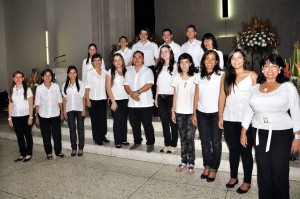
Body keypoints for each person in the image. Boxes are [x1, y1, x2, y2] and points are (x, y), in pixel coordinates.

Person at [241, 54, 300, 199]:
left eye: (274, 66)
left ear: (280, 69)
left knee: (279, 170)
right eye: (266, 66)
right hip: (259, 132)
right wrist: (243, 130)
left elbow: (296, 112)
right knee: (263, 169)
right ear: (262, 68)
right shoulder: (255, 88)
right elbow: (249, 110)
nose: (270, 69)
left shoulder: (287, 87)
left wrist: (297, 137)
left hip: (281, 133)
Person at [218, 49, 257, 193]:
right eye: (233, 58)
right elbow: (222, 97)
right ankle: (233, 176)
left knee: (246, 151)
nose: (236, 61)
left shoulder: (252, 75)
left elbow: (256, 100)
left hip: (247, 121)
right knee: (233, 150)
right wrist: (220, 116)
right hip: (229, 118)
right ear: (230, 61)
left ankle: (247, 181)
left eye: (239, 57)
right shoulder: (226, 76)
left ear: (244, 59)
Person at [195, 50, 223, 182]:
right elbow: (196, 94)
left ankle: (214, 168)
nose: (210, 61)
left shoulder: (221, 75)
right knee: (205, 141)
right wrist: (194, 113)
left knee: (216, 142)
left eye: (213, 59)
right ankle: (207, 165)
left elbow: (224, 95)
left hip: (216, 113)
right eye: (207, 59)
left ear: (216, 61)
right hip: (201, 113)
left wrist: (221, 115)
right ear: (203, 60)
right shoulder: (199, 75)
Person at [171, 53, 198, 174]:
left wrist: (195, 113)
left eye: (186, 62)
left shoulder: (196, 77)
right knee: (182, 137)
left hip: (191, 112)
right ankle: (183, 160)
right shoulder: (176, 77)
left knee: (190, 137)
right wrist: (173, 110)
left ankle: (191, 162)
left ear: (190, 63)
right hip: (179, 112)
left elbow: (197, 96)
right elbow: (175, 94)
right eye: (181, 62)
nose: (184, 65)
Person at [124, 51, 155, 153]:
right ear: (132, 59)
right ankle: (137, 141)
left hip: (145, 103)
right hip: (132, 104)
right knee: (135, 124)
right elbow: (126, 85)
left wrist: (136, 92)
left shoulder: (148, 71)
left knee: (147, 124)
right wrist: (131, 93)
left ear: (143, 59)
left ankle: (150, 143)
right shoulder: (129, 71)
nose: (137, 59)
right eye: (135, 57)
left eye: (139, 57)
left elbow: (149, 84)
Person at [35, 69, 65, 160]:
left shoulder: (55, 86)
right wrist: (36, 115)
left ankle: (58, 151)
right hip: (43, 115)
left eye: (49, 75)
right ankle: (48, 152)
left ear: (52, 77)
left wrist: (62, 112)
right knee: (46, 135)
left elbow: (60, 100)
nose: (47, 77)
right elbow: (37, 103)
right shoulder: (39, 88)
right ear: (42, 77)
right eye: (45, 75)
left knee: (57, 134)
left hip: (55, 114)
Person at [155, 45, 178, 153]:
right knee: (164, 122)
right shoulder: (159, 66)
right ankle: (167, 144)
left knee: (172, 121)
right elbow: (158, 84)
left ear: (170, 52)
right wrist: (156, 98)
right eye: (162, 52)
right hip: (161, 97)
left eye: (166, 51)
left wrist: (175, 100)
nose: (163, 54)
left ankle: (174, 144)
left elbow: (176, 85)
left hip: (171, 97)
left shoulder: (176, 66)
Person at [8, 71, 33, 162]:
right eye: (16, 77)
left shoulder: (27, 89)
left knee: (27, 135)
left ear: (23, 78)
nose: (18, 79)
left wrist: (31, 117)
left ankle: (29, 153)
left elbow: (31, 104)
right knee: (19, 136)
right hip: (15, 116)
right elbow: (10, 104)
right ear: (13, 79)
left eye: (20, 77)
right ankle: (22, 153)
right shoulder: (12, 90)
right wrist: (9, 117)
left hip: (26, 115)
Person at [106, 53, 129, 148]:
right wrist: (113, 101)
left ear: (122, 60)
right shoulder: (110, 72)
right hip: (116, 100)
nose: (118, 62)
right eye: (115, 60)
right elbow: (108, 88)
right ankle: (117, 140)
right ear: (113, 62)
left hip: (126, 99)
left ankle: (123, 139)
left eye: (119, 60)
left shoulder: (127, 71)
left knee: (124, 120)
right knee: (118, 120)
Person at [85, 53, 109, 145]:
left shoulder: (105, 72)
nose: (97, 62)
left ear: (101, 61)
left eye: (99, 60)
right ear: (92, 62)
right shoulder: (89, 73)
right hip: (93, 99)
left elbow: (107, 87)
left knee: (103, 119)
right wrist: (87, 99)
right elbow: (87, 87)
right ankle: (97, 137)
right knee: (95, 119)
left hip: (103, 98)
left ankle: (103, 135)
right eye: (95, 60)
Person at [62, 66, 86, 156]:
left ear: (76, 73)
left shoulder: (81, 84)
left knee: (80, 129)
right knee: (72, 129)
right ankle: (74, 148)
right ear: (68, 74)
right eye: (70, 73)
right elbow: (64, 99)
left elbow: (83, 97)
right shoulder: (65, 85)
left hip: (79, 109)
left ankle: (80, 148)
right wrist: (64, 111)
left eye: (74, 72)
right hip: (69, 109)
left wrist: (84, 109)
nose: (72, 74)